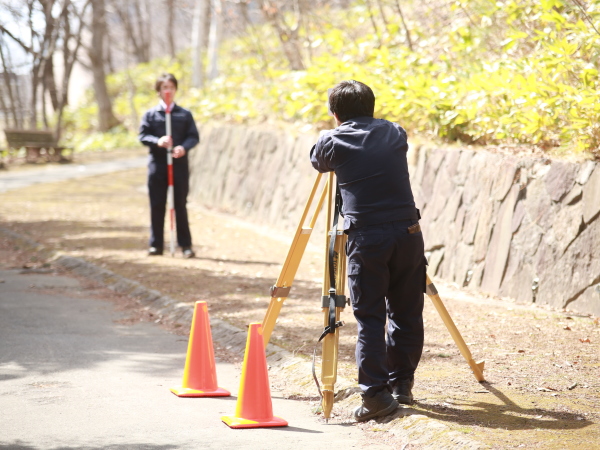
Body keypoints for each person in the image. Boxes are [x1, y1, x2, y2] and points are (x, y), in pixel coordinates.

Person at [310, 80, 426, 422]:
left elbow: (318, 160)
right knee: (406, 312)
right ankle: (401, 384)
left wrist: (325, 134)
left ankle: (375, 396)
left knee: (370, 318)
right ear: (372, 107)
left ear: (335, 114)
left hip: (368, 238)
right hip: (409, 232)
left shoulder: (332, 140)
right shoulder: (395, 132)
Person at [139, 73, 199, 258]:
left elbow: (193, 136)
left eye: (171, 87)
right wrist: (158, 141)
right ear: (159, 91)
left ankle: (186, 246)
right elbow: (142, 136)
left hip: (179, 166)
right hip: (157, 166)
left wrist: (183, 148)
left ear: (175, 90)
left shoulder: (184, 114)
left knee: (180, 204)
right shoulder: (150, 115)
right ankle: (156, 245)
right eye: (165, 87)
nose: (168, 91)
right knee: (157, 205)